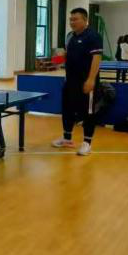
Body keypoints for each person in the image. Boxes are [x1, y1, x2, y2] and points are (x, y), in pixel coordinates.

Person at [52, 8, 103, 156]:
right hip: (70, 81)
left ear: (85, 20)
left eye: (75, 19)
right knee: (67, 109)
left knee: (88, 112)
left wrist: (91, 80)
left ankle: (87, 143)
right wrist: (57, 59)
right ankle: (67, 138)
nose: (72, 22)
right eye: (71, 19)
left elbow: (97, 58)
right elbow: (67, 54)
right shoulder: (70, 36)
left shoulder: (93, 36)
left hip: (86, 81)